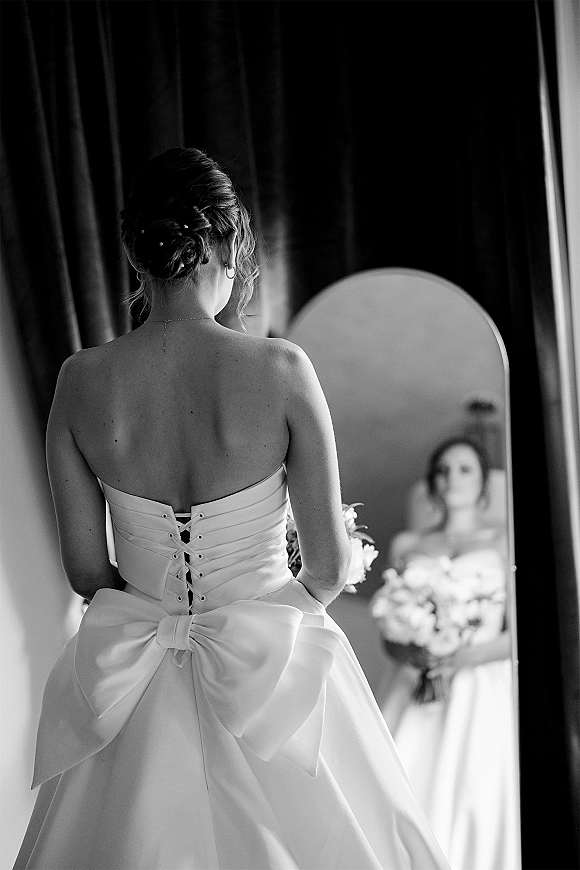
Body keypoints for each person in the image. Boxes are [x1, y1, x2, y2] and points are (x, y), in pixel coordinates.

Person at [14, 147, 449, 870]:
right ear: (226, 245)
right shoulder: (280, 370)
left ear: (137, 252)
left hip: (135, 683)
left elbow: (88, 573)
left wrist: (165, 618)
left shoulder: (81, 380)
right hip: (274, 677)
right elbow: (328, 568)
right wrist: (265, 622)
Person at [375, 438, 519, 870]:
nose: (451, 477)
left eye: (464, 469)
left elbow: (517, 634)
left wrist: (462, 659)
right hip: (413, 683)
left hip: (480, 687)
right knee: (402, 782)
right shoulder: (406, 544)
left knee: (475, 792)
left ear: (483, 484)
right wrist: (414, 650)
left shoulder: (504, 541)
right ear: (433, 483)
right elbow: (388, 636)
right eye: (442, 469)